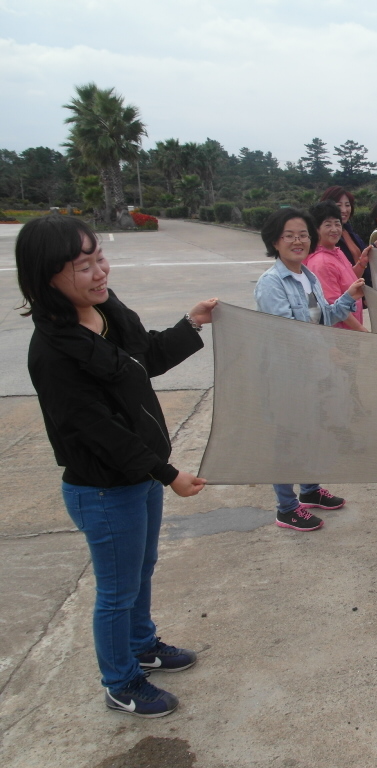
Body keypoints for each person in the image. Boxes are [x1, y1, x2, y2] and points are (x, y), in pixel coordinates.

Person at [17, 214, 216, 717]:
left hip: (140, 477)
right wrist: (167, 474)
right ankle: (121, 682)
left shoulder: (106, 311)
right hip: (104, 489)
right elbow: (98, 431)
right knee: (116, 591)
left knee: (141, 570)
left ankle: (142, 646)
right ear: (47, 277)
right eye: (84, 265)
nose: (100, 272)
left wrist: (192, 323)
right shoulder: (53, 352)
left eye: (99, 258)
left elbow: (146, 357)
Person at [254, 208, 366, 532]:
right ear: (275, 241)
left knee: (313, 430)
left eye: (302, 234)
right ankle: (286, 508)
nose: (298, 241)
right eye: (289, 235)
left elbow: (325, 317)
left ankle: (310, 490)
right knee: (288, 437)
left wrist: (348, 297)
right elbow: (288, 332)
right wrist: (328, 352)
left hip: (313, 371)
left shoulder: (308, 277)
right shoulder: (271, 283)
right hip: (287, 376)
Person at [304, 200, 369, 329]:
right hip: (341, 332)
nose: (334, 229)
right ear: (315, 229)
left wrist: (362, 263)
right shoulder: (321, 262)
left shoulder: (335, 251)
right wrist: (362, 331)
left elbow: (349, 280)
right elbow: (335, 308)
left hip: (351, 329)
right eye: (328, 225)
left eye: (337, 224)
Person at [319, 187, 371, 286]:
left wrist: (374, 247)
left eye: (347, 205)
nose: (344, 210)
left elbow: (350, 274)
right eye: (339, 205)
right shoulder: (328, 239)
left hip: (360, 288)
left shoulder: (348, 230)